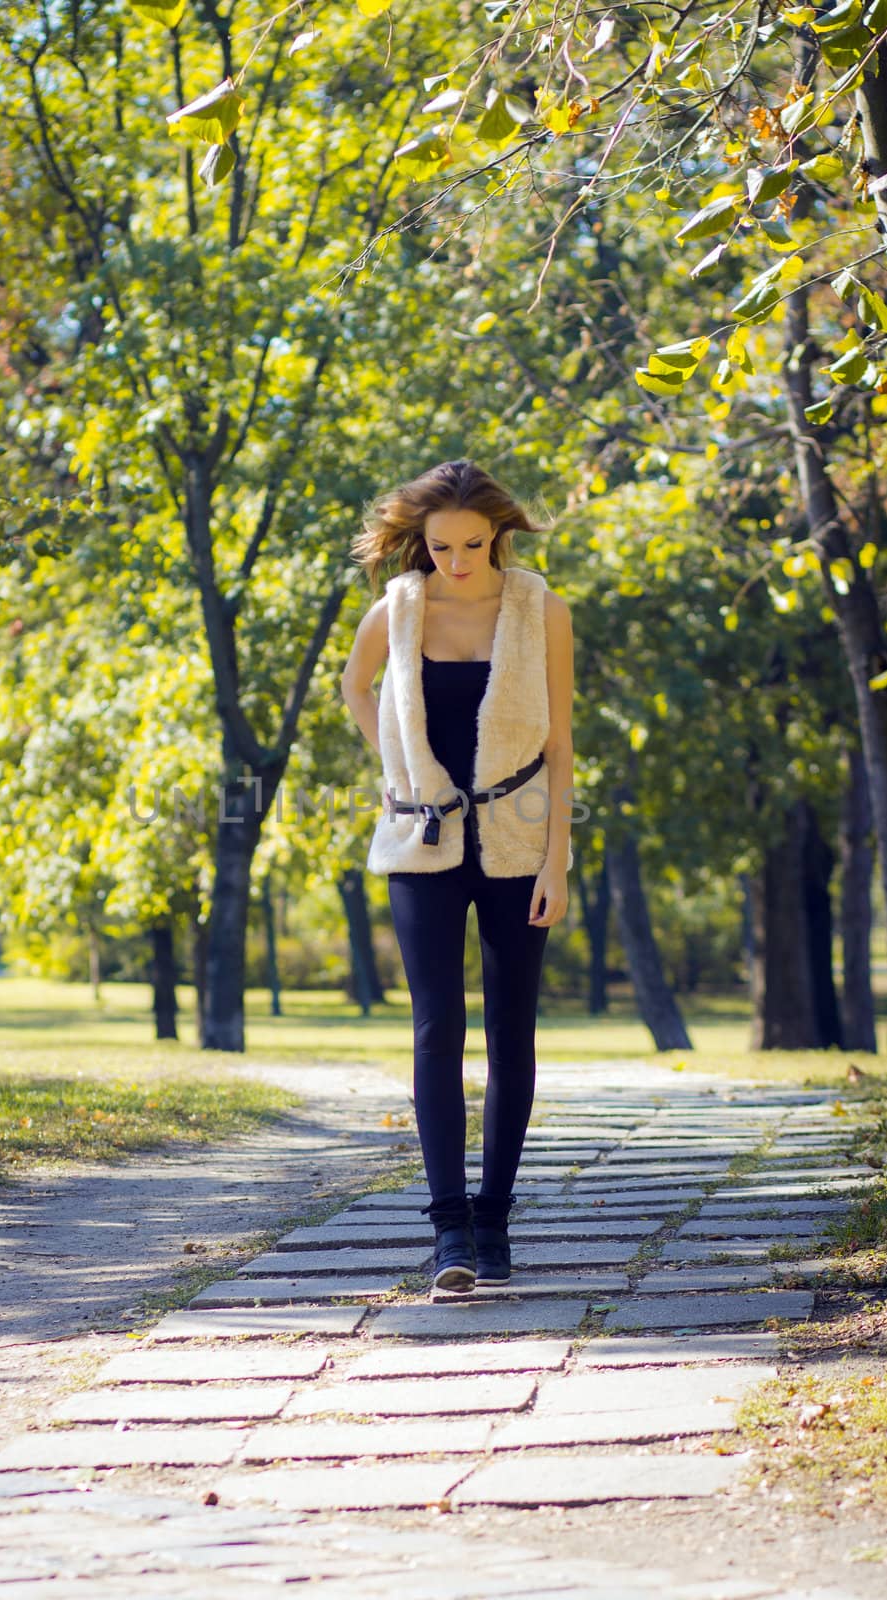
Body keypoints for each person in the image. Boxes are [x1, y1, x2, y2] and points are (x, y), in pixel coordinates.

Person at [340, 459, 574, 1296]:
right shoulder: (397, 611)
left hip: (517, 842)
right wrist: (403, 769)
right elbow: (354, 686)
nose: (457, 561)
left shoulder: (539, 610)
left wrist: (558, 858)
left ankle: (495, 1223)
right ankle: (449, 1236)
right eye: (440, 547)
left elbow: (559, 743)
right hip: (421, 841)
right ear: (420, 540)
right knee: (437, 1029)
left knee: (512, 1035)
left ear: (497, 534)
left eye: (473, 544)